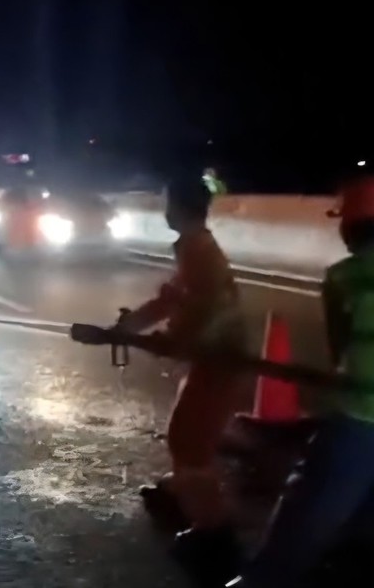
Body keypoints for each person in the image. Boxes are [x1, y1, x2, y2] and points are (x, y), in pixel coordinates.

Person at [227, 175, 374, 587]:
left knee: (308, 511)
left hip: (363, 416)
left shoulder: (345, 276)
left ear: (351, 225)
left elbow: (339, 350)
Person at [115, 176, 249, 580]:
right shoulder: (194, 247)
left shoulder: (199, 251)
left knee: (190, 442)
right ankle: (180, 494)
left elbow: (205, 310)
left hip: (220, 360)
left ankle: (216, 535)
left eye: (167, 202)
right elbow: (172, 300)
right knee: (186, 436)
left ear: (180, 208)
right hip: (212, 359)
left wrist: (170, 339)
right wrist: (129, 327)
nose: (165, 210)